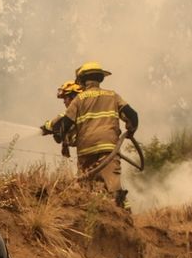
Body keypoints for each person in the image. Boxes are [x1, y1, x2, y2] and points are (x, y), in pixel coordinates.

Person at [53, 62, 139, 208]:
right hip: (108, 151)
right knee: (114, 189)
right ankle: (124, 220)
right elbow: (132, 115)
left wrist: (60, 137)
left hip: (85, 151)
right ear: (100, 78)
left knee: (86, 190)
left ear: (82, 80)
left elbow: (63, 125)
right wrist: (130, 130)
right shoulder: (113, 96)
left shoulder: (78, 100)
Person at [40, 80, 83, 158]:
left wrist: (47, 126)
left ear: (73, 98)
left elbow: (59, 119)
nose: (64, 102)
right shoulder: (89, 108)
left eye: (65, 98)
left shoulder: (73, 113)